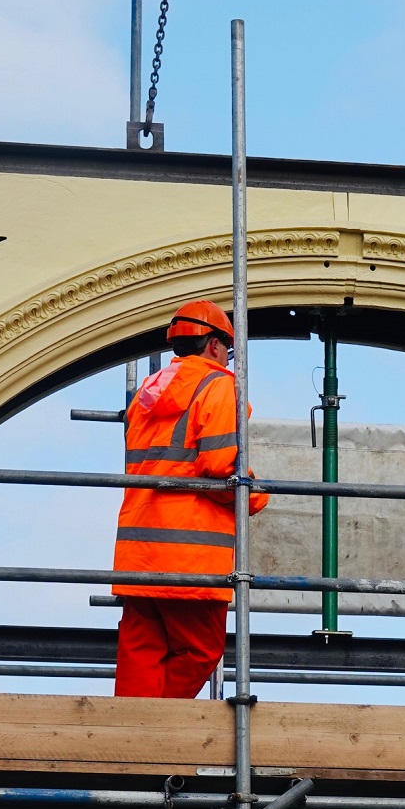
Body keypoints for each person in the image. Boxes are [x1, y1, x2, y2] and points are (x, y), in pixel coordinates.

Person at [113, 299, 269, 698]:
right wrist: (254, 496)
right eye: (229, 349)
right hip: (190, 552)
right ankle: (160, 734)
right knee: (201, 650)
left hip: (138, 548)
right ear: (214, 344)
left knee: (141, 649)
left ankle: (131, 735)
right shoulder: (219, 386)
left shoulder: (147, 394)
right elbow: (220, 468)